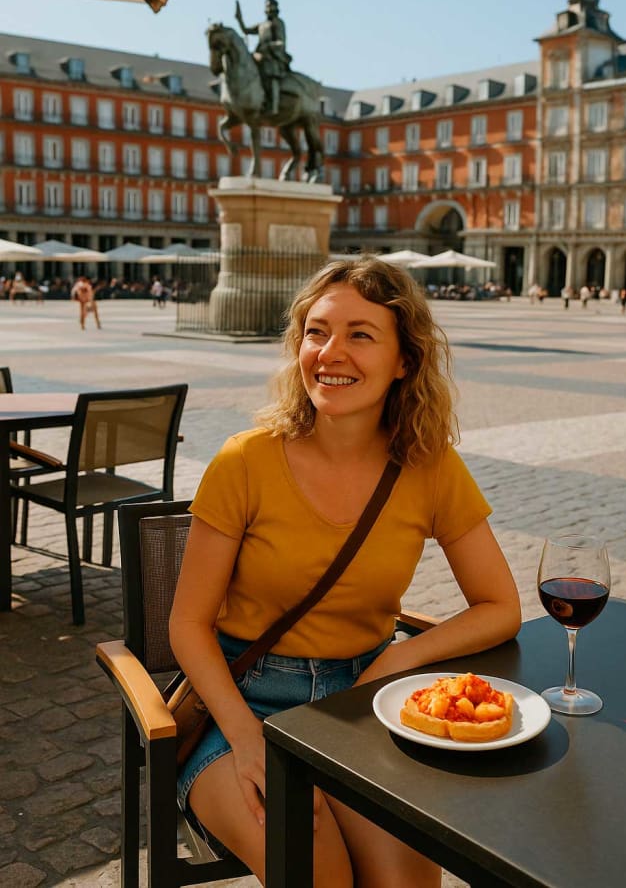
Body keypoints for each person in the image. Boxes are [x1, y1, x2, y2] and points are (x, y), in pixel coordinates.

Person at [169, 255, 521, 888]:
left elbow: (499, 606)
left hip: (364, 703)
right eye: (316, 331)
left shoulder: (430, 466)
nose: (331, 351)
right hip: (242, 702)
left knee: (407, 884)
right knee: (319, 874)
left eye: (361, 334)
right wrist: (247, 738)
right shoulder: (245, 460)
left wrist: (391, 664)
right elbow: (188, 623)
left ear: (404, 360)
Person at [235, 0, 292, 115]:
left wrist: (269, 46)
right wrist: (239, 19)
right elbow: (246, 30)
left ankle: (274, 105)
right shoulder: (262, 25)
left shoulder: (278, 23)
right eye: (267, 6)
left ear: (276, 8)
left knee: (271, 75)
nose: (269, 9)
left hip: (273, 56)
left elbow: (281, 42)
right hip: (260, 54)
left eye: (271, 6)